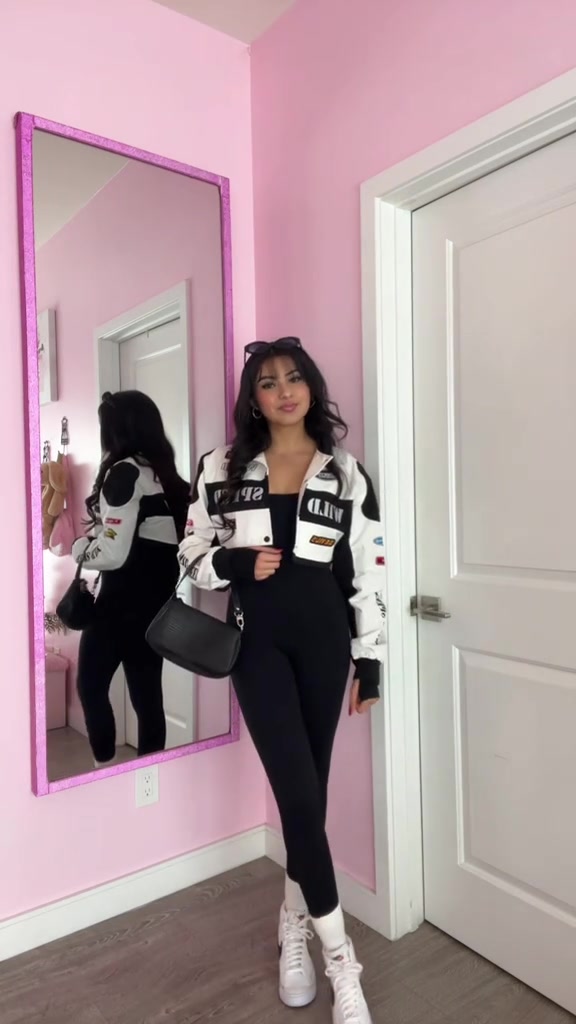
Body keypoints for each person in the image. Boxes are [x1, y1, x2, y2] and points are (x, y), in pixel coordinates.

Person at [178, 338, 385, 1024]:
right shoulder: (221, 467)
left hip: (325, 646)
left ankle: (292, 921)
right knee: (298, 796)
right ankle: (341, 962)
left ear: (311, 387)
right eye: (268, 383)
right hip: (257, 645)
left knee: (307, 801)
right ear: (253, 398)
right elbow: (190, 554)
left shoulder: (344, 472)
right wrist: (235, 564)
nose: (285, 391)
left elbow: (367, 569)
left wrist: (370, 659)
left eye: (295, 378)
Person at [72, 390, 190, 766]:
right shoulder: (167, 477)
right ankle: (149, 780)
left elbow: (112, 553)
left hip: (119, 605)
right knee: (148, 700)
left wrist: (79, 548)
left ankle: (105, 770)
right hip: (155, 609)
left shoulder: (125, 472)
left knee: (91, 687)